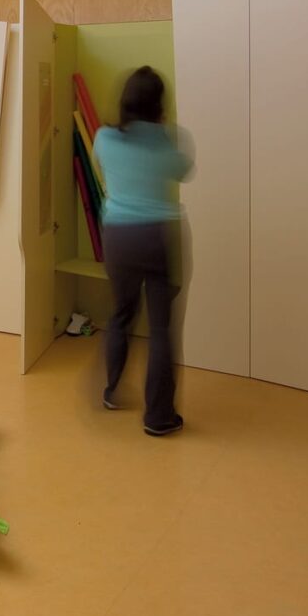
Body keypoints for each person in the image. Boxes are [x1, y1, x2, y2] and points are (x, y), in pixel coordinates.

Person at [92, 66, 194, 436]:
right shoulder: (169, 141)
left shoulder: (104, 137)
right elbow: (185, 170)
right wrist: (163, 131)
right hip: (159, 236)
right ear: (159, 104)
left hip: (118, 236)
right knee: (161, 327)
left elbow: (104, 165)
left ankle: (110, 392)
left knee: (121, 314)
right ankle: (159, 417)